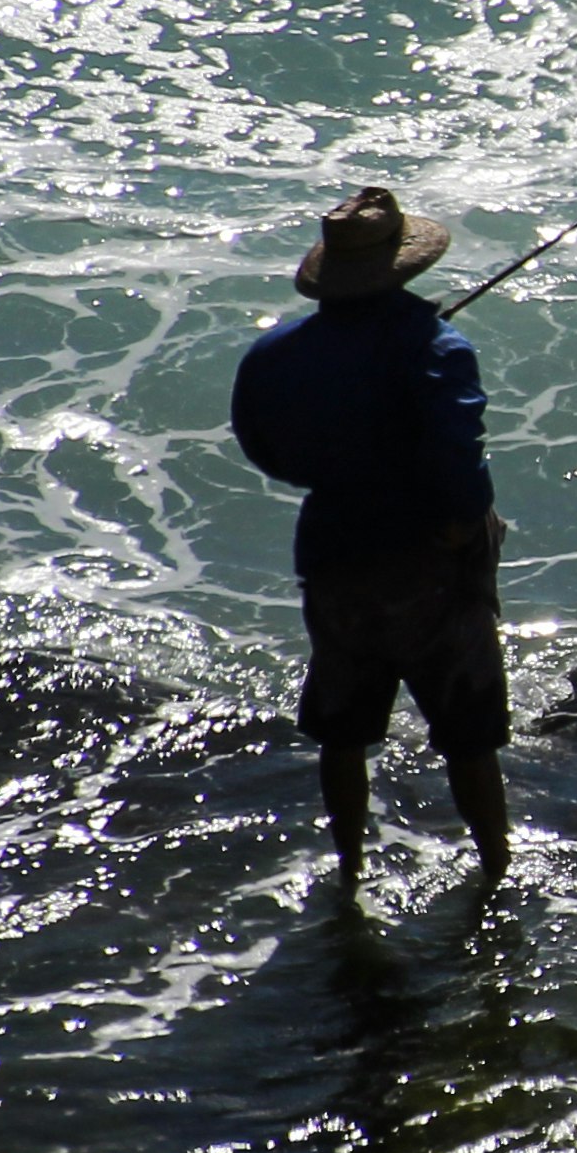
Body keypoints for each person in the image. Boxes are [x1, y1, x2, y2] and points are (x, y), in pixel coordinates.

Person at [231, 183, 513, 889]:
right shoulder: (438, 346)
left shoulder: (273, 353)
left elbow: (261, 446)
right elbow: (460, 455)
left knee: (343, 730)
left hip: (333, 546)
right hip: (430, 559)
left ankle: (351, 869)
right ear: (403, 263)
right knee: (469, 735)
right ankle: (495, 870)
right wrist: (458, 525)